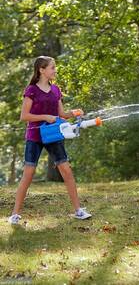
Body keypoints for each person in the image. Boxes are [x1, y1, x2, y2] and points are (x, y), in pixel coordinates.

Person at [8, 56, 92, 224]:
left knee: (67, 171)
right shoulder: (31, 90)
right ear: (42, 70)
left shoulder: (56, 90)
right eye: (52, 68)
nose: (55, 70)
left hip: (53, 136)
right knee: (29, 174)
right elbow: (24, 116)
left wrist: (74, 113)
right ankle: (15, 215)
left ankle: (78, 211)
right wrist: (45, 116)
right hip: (35, 136)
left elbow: (61, 114)